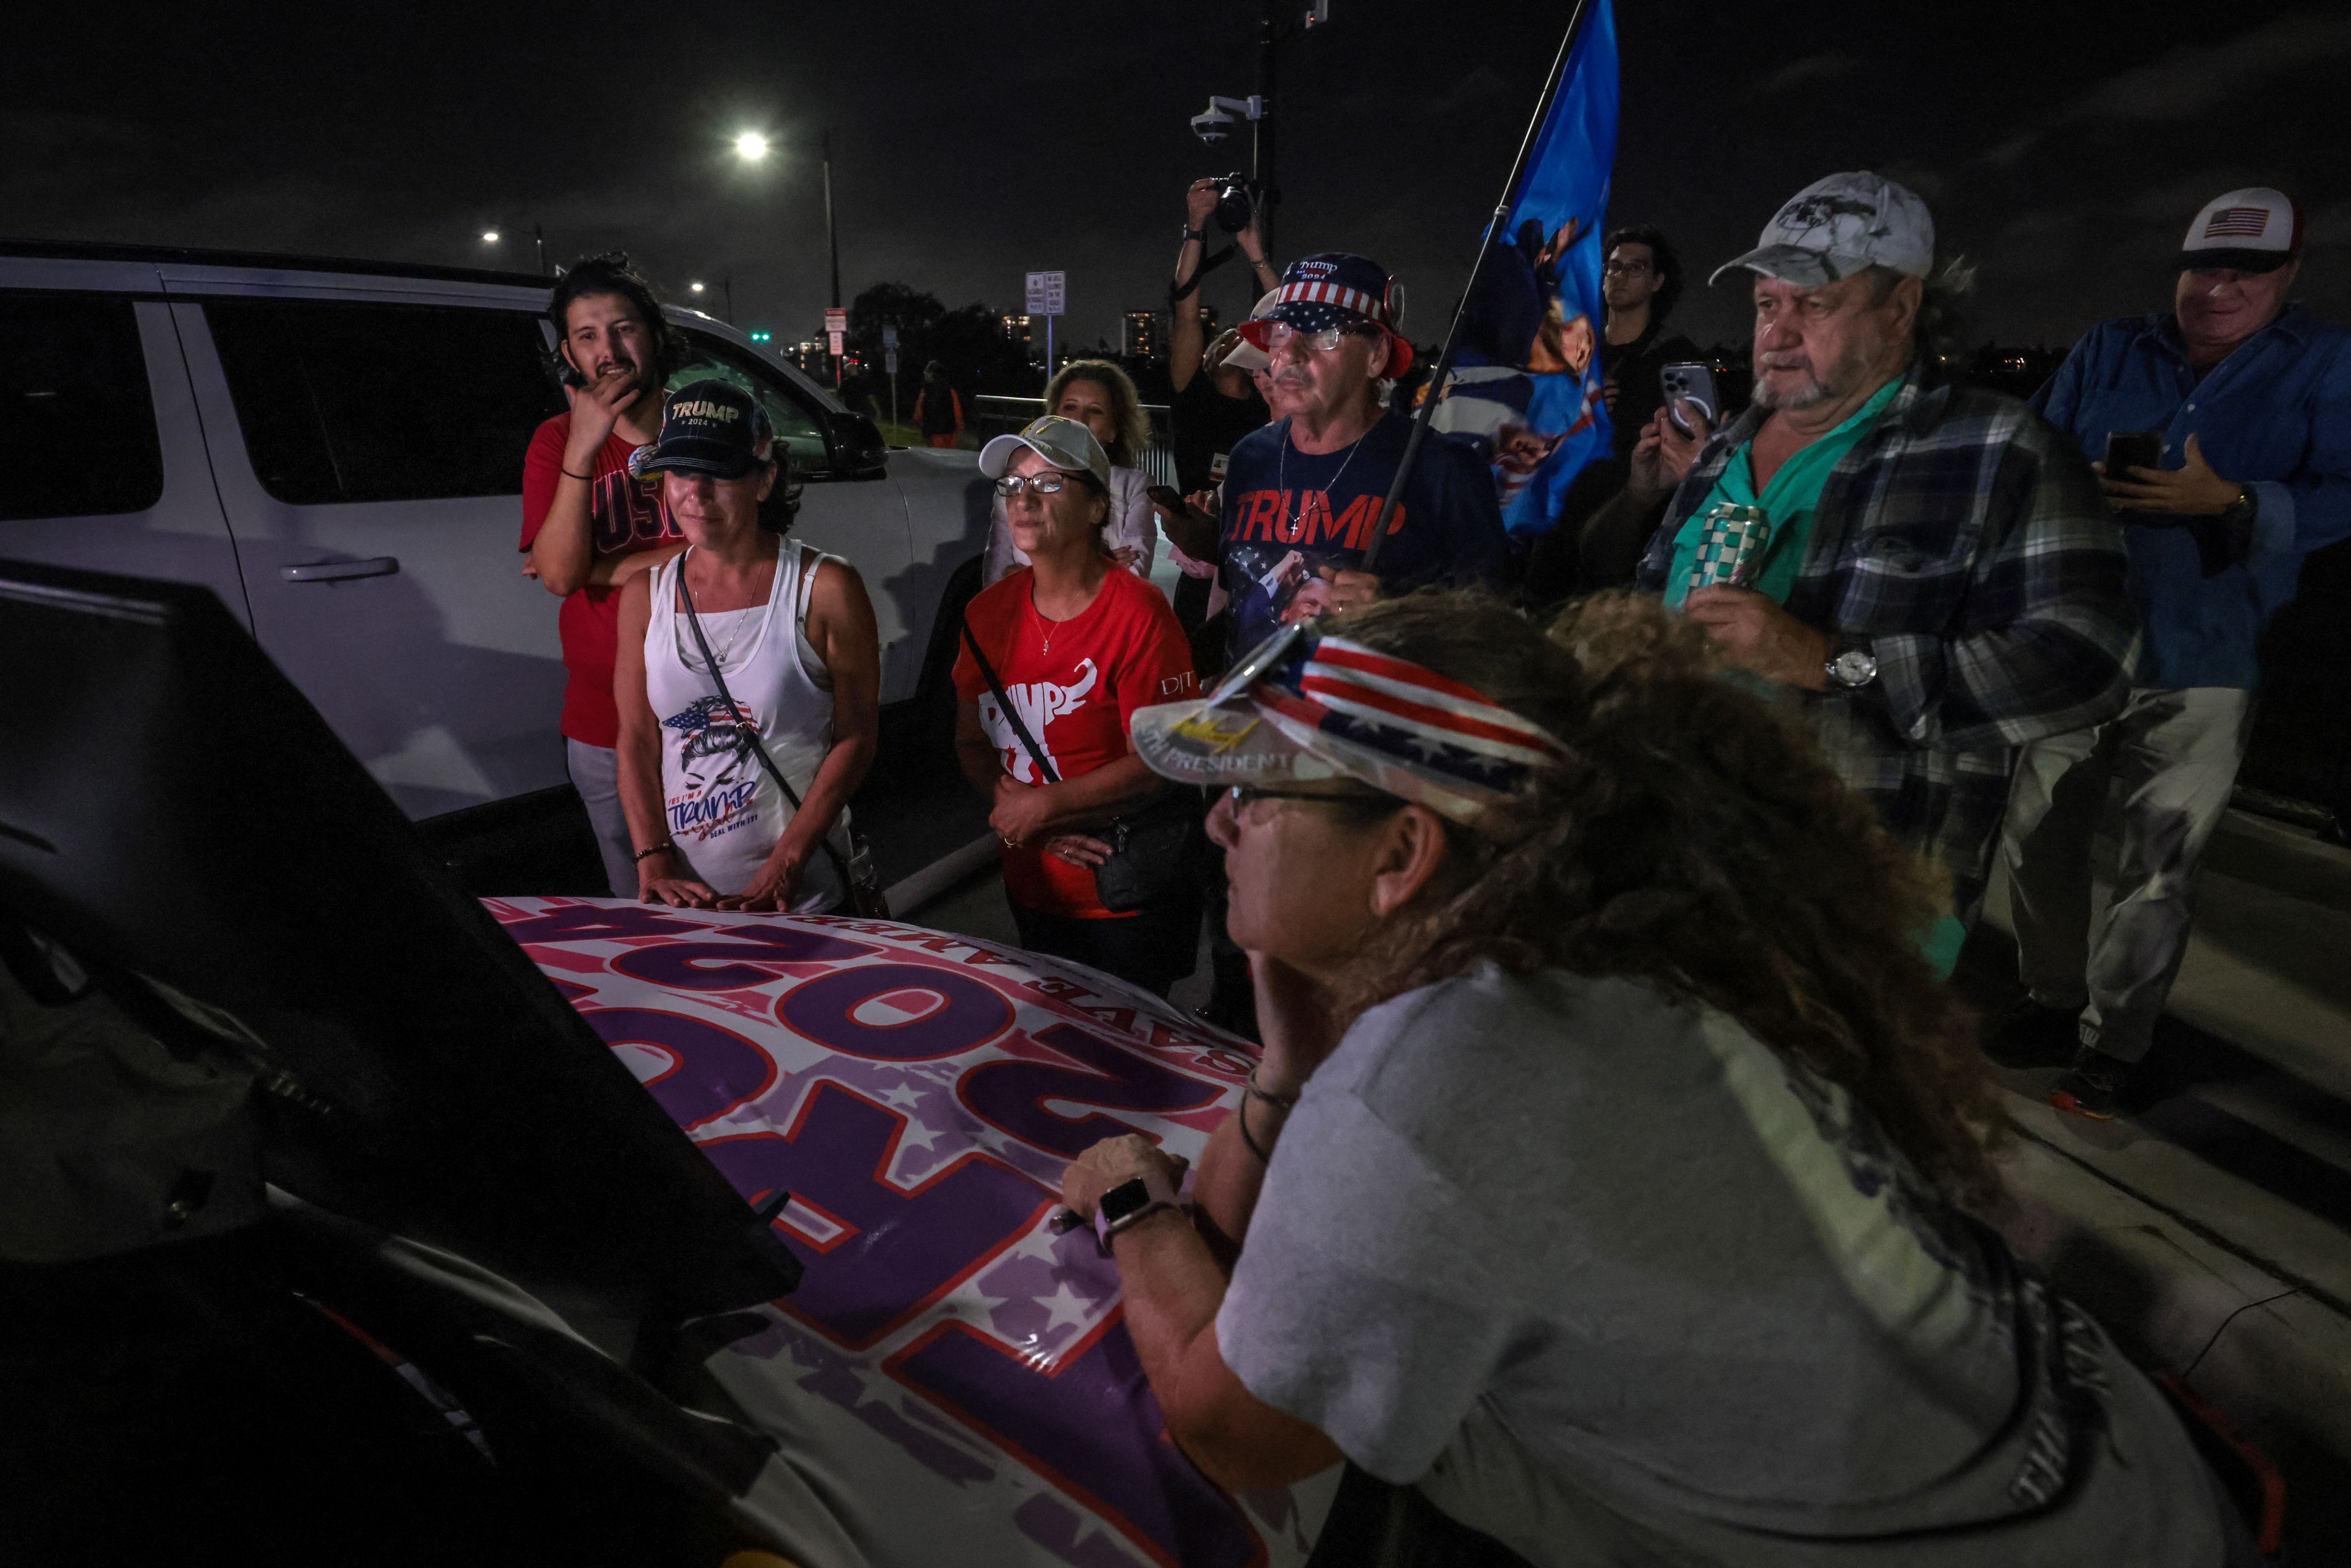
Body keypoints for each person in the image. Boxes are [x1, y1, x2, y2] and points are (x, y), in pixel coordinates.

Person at [1066, 589, 2237, 1567]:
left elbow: (1228, 1426)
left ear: (1403, 854)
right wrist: (1288, 1066)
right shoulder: (1628, 952)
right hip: (2125, 1487)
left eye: (1262, 794)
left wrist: (1134, 1200)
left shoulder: (1432, 1079)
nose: (1221, 824)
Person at [1584, 172, 2137, 966]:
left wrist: (1826, 661)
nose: (1777, 331)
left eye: (1815, 304)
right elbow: (1651, 595)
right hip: (1670, 863)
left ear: (1902, 308)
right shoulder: (1725, 450)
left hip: (1843, 908)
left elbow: (2091, 662)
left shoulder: (1994, 450)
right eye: (1768, 304)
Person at [1995, 187, 2351, 1118]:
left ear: (2289, 277)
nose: (2220, 287)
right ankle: (2048, 997)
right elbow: (2031, 445)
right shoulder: (2115, 344)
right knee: (2037, 837)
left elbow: (2344, 491)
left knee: (2157, 866)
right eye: (2204, 266)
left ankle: (2115, 1044)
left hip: (2209, 654)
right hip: (2080, 641)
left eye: (2249, 270)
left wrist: (2233, 504)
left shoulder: (2324, 364)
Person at [1153, 252, 1511, 662]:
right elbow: (1245, 599)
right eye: (1281, 332)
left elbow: (1497, 633)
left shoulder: (1443, 470)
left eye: (1323, 333)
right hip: (1251, 719)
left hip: (1370, 719)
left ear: (1376, 354)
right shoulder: (1250, 458)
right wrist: (1211, 545)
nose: (1292, 353)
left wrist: (1395, 620)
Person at [952, 416, 1200, 995]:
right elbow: (970, 740)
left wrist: (1049, 806)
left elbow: (1171, 753)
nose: (1025, 500)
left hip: (1125, 891)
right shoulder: (986, 614)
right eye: (1013, 485)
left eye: (1049, 483)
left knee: (1132, 1060)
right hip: (1031, 882)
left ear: (1095, 507)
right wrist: (1025, 818)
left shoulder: (1140, 613)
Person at [612, 381, 881, 912]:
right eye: (681, 472)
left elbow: (856, 735)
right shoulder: (645, 595)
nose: (696, 492)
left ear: (765, 480)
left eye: (719, 473)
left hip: (807, 895)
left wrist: (787, 863)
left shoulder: (823, 588)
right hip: (688, 899)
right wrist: (653, 857)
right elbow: (638, 739)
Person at [520, 254, 689, 897]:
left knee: (742, 915)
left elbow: (739, 554)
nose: (608, 351)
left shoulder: (703, 424)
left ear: (651, 331)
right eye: (587, 337)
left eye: (623, 329)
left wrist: (603, 567)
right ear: (568, 351)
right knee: (645, 909)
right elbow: (563, 577)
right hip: (604, 727)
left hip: (716, 713)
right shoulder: (555, 440)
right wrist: (585, 447)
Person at [1524, 227, 1701, 602]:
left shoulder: (1674, 358)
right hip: (1558, 531)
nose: (1618, 276)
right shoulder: (1572, 355)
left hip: (1628, 540)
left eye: (1634, 268)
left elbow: (1695, 450)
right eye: (1612, 267)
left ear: (1658, 281)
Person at [982, 359, 1159, 585]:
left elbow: (1132, 579)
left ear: (1115, 428)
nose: (1079, 420)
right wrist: (1104, 563)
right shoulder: (1013, 486)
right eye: (1070, 407)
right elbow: (996, 583)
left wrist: (1030, 576)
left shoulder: (1135, 486)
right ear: (1052, 415)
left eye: (1095, 411)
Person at [913, 360, 963, 449]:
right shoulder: (950, 390)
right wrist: (959, 427)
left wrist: (918, 422)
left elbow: (919, 411)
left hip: (934, 433)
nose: (924, 373)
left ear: (932, 374)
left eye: (927, 371)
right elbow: (957, 411)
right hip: (949, 432)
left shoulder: (926, 391)